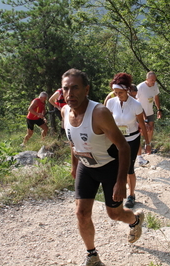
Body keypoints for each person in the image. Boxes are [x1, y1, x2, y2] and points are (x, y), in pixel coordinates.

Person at [61, 68, 144, 266]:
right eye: (66, 89)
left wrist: (121, 181)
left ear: (86, 89)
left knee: (114, 214)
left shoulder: (99, 113)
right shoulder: (64, 111)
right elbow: (73, 143)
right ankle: (92, 256)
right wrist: (74, 166)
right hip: (86, 167)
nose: (70, 94)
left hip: (109, 167)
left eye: (75, 88)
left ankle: (134, 220)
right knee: (81, 213)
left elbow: (123, 147)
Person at [106, 74, 150, 208]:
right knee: (117, 167)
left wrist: (147, 143)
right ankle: (118, 190)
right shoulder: (111, 102)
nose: (118, 95)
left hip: (132, 139)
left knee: (129, 168)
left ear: (127, 91)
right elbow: (107, 121)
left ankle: (131, 195)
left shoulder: (135, 104)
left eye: (120, 92)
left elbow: (142, 124)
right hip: (116, 139)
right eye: (115, 92)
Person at [136, 71, 162, 153]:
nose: (153, 82)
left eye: (155, 80)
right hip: (140, 113)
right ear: (146, 79)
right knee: (142, 132)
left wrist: (159, 109)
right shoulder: (140, 87)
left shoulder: (155, 86)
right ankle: (137, 149)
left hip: (150, 111)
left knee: (150, 130)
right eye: (151, 80)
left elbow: (156, 97)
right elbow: (134, 100)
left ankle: (148, 146)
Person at [128, 84, 149, 166]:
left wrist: (145, 120)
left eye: (135, 95)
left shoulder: (135, 102)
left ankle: (139, 158)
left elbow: (141, 109)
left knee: (137, 140)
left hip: (134, 125)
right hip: (122, 127)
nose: (134, 96)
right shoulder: (116, 100)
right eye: (132, 94)